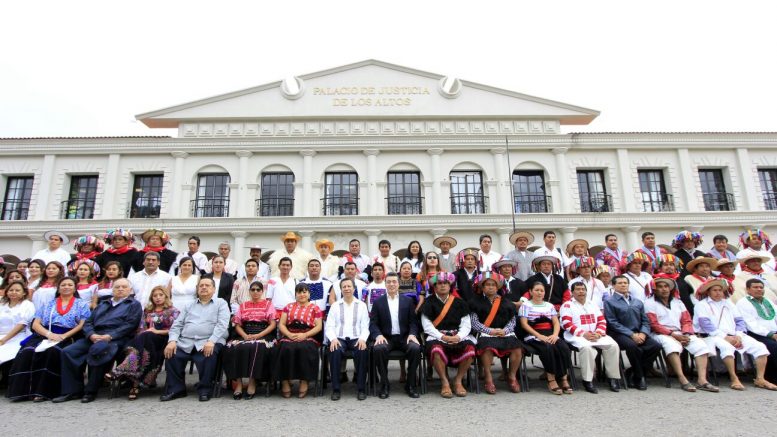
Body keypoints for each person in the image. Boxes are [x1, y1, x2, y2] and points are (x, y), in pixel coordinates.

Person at [54, 278, 143, 403]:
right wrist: (91, 334)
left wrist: (109, 336)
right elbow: (88, 322)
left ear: (130, 290)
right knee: (68, 351)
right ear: (112, 289)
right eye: (117, 287)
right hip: (95, 336)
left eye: (124, 287)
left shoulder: (133, 304)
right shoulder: (103, 303)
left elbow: (130, 325)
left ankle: (91, 391)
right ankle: (72, 390)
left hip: (115, 338)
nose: (120, 289)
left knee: (99, 350)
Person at [6, 277, 91, 401]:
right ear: (58, 288)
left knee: (52, 352)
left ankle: (43, 392)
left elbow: (82, 324)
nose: (66, 287)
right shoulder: (49, 303)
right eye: (63, 285)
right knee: (27, 351)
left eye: (69, 285)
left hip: (69, 334)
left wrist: (64, 336)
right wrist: (48, 334)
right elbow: (35, 324)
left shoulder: (81, 304)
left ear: (74, 288)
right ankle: (23, 392)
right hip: (45, 333)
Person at [693, 278, 777, 390]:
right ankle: (734, 378)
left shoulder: (728, 303)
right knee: (727, 348)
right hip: (712, 336)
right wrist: (725, 337)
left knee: (760, 347)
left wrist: (738, 335)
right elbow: (705, 324)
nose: (718, 293)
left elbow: (739, 321)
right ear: (708, 291)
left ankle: (760, 379)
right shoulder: (702, 305)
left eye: (720, 290)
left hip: (735, 335)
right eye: (715, 290)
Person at [161, 277, 230, 402]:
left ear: (214, 289)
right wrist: (172, 341)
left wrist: (211, 341)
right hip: (186, 341)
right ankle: (176, 389)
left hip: (209, 340)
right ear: (197, 289)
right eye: (201, 285)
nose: (203, 287)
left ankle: (205, 389)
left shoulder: (221, 303)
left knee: (208, 354)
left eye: (207, 285)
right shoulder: (189, 305)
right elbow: (177, 325)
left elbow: (222, 324)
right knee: (172, 354)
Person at [644, 277, 717, 392]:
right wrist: (673, 335)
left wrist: (686, 334)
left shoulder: (677, 302)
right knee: (672, 346)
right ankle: (682, 379)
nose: (664, 289)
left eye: (666, 286)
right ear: (655, 289)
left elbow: (686, 320)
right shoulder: (649, 303)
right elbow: (654, 324)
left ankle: (702, 380)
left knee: (701, 346)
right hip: (660, 333)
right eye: (660, 287)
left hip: (681, 332)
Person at [108, 286, 180, 400]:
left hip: (162, 339)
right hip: (145, 341)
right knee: (145, 342)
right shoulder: (147, 310)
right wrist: (147, 332)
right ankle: (135, 386)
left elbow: (176, 329)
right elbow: (141, 328)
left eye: (160, 295)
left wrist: (157, 331)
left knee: (147, 337)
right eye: (155, 295)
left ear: (166, 296)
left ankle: (121, 370)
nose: (157, 298)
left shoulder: (173, 311)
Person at [559, 282, 622, 393]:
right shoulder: (567, 305)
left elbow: (602, 320)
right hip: (577, 335)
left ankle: (612, 378)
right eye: (578, 289)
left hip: (596, 334)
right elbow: (566, 323)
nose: (581, 291)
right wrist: (584, 334)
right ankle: (588, 380)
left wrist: (598, 332)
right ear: (572, 292)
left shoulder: (592, 304)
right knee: (587, 348)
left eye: (583, 289)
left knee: (613, 346)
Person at [421, 272, 475, 398]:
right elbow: (427, 325)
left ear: (450, 285)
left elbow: (466, 324)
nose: (443, 286)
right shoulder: (428, 303)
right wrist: (442, 337)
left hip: (457, 335)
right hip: (438, 336)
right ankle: (444, 382)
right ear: (434, 287)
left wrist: (459, 336)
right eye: (439, 283)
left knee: (470, 348)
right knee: (435, 349)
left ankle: (458, 380)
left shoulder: (460, 303)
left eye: (445, 283)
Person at [604, 275, 661, 390]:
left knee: (656, 346)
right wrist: (631, 334)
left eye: (625, 283)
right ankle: (640, 377)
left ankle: (632, 371)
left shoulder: (637, 302)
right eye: (620, 283)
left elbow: (645, 321)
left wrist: (643, 333)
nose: (623, 285)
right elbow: (612, 322)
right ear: (613, 286)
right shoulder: (609, 302)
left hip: (639, 332)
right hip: (619, 333)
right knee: (632, 346)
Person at [369, 272, 421, 399]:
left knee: (415, 348)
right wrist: (378, 336)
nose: (391, 284)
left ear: (398, 284)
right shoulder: (378, 302)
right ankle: (384, 384)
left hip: (405, 337)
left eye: (394, 282)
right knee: (378, 349)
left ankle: (410, 384)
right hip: (386, 337)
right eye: (389, 282)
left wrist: (413, 334)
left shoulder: (408, 301)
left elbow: (413, 321)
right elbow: (373, 323)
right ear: (385, 284)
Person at [222, 281, 277, 400]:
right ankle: (239, 384)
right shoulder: (243, 305)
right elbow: (237, 324)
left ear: (262, 292)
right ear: (249, 291)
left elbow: (272, 324)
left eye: (258, 290)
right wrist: (245, 336)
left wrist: (258, 335)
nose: (256, 292)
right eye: (253, 290)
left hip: (263, 333)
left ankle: (252, 382)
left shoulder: (268, 304)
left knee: (256, 346)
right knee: (233, 347)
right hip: (245, 333)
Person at [470, 272, 523, 394]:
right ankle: (488, 378)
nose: (490, 287)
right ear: (482, 287)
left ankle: (512, 376)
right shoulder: (475, 302)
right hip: (486, 333)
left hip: (504, 332)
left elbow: (512, 320)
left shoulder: (506, 302)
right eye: (487, 285)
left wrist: (505, 331)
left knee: (517, 349)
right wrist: (490, 331)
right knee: (486, 348)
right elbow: (474, 322)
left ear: (498, 287)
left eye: (493, 285)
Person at [519, 281, 573, 395]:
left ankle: (563, 378)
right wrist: (539, 336)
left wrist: (555, 335)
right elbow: (524, 324)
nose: (539, 293)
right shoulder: (526, 305)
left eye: (542, 291)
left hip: (550, 333)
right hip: (534, 334)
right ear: (530, 292)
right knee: (548, 348)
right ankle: (551, 379)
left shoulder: (549, 305)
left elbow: (556, 323)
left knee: (563, 347)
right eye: (536, 290)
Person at [274, 283, 323, 398]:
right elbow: (281, 324)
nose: (302, 295)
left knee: (305, 348)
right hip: (290, 333)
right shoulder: (288, 307)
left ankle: (304, 381)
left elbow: (318, 326)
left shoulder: (315, 308)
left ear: (309, 294)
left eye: (304, 292)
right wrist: (289, 334)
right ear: (295, 294)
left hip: (308, 334)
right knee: (284, 348)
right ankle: (285, 381)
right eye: (299, 292)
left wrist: (305, 335)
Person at [325, 278, 370, 401]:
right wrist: (333, 339)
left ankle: (361, 388)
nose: (347, 288)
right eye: (344, 287)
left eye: (349, 286)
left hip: (356, 338)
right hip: (339, 338)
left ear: (354, 288)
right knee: (335, 351)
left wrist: (362, 339)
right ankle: (336, 389)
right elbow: (329, 326)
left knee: (362, 351)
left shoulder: (361, 305)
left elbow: (365, 326)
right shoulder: (335, 305)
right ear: (341, 289)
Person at [736, 278, 777, 385]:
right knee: (773, 346)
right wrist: (771, 335)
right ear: (748, 289)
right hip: (755, 334)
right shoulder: (743, 303)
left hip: (773, 333)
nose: (759, 289)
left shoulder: (768, 301)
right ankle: (771, 378)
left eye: (761, 287)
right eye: (755, 287)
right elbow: (751, 324)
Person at [0, 281, 36, 369]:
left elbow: (22, 324)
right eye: (11, 290)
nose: (13, 292)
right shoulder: (2, 305)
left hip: (19, 335)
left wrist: (4, 340)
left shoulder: (28, 305)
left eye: (17, 290)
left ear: (23, 293)